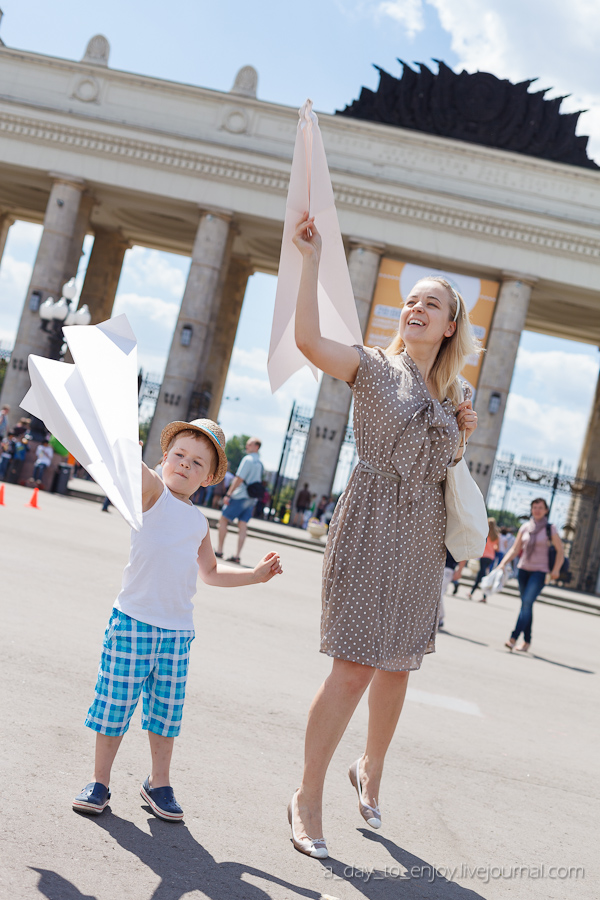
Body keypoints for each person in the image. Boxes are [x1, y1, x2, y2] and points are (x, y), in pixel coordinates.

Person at [287, 211, 479, 858]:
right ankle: (307, 795)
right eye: (412, 300)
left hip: (422, 533)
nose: (417, 307)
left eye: (433, 303)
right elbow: (310, 340)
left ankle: (371, 767)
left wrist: (464, 436)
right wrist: (311, 262)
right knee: (353, 666)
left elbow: (444, 469)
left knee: (397, 665)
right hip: (371, 518)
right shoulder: (371, 366)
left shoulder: (457, 395)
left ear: (451, 324)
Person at [73, 419, 282, 820]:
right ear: (164, 459)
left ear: (208, 478)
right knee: (115, 705)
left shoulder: (199, 521)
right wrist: (128, 452)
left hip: (176, 632)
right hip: (133, 621)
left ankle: (159, 783)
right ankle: (99, 781)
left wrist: (255, 576)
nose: (185, 465)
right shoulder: (154, 495)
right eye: (179, 456)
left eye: (198, 463)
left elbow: (211, 573)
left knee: (166, 715)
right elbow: (136, 475)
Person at [498, 498, 564, 653]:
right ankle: (527, 641)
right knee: (526, 606)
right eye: (535, 507)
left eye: (540, 507)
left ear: (546, 510)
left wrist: (556, 569)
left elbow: (560, 551)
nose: (537, 510)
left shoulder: (550, 529)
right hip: (523, 570)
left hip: (540, 572)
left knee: (526, 604)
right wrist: (503, 563)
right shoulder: (526, 527)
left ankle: (513, 638)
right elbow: (515, 549)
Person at [216, 437, 263, 564]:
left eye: (249, 444)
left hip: (240, 495)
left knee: (224, 519)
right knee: (243, 525)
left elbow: (239, 478)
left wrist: (229, 493)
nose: (246, 446)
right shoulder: (259, 463)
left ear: (256, 447)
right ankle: (237, 555)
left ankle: (219, 550)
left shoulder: (247, 460)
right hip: (251, 499)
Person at [469, 518, 500, 601]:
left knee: (482, 576)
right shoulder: (496, 535)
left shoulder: (485, 533)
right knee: (482, 574)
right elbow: (497, 548)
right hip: (491, 557)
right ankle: (474, 593)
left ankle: (479, 594)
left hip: (484, 555)